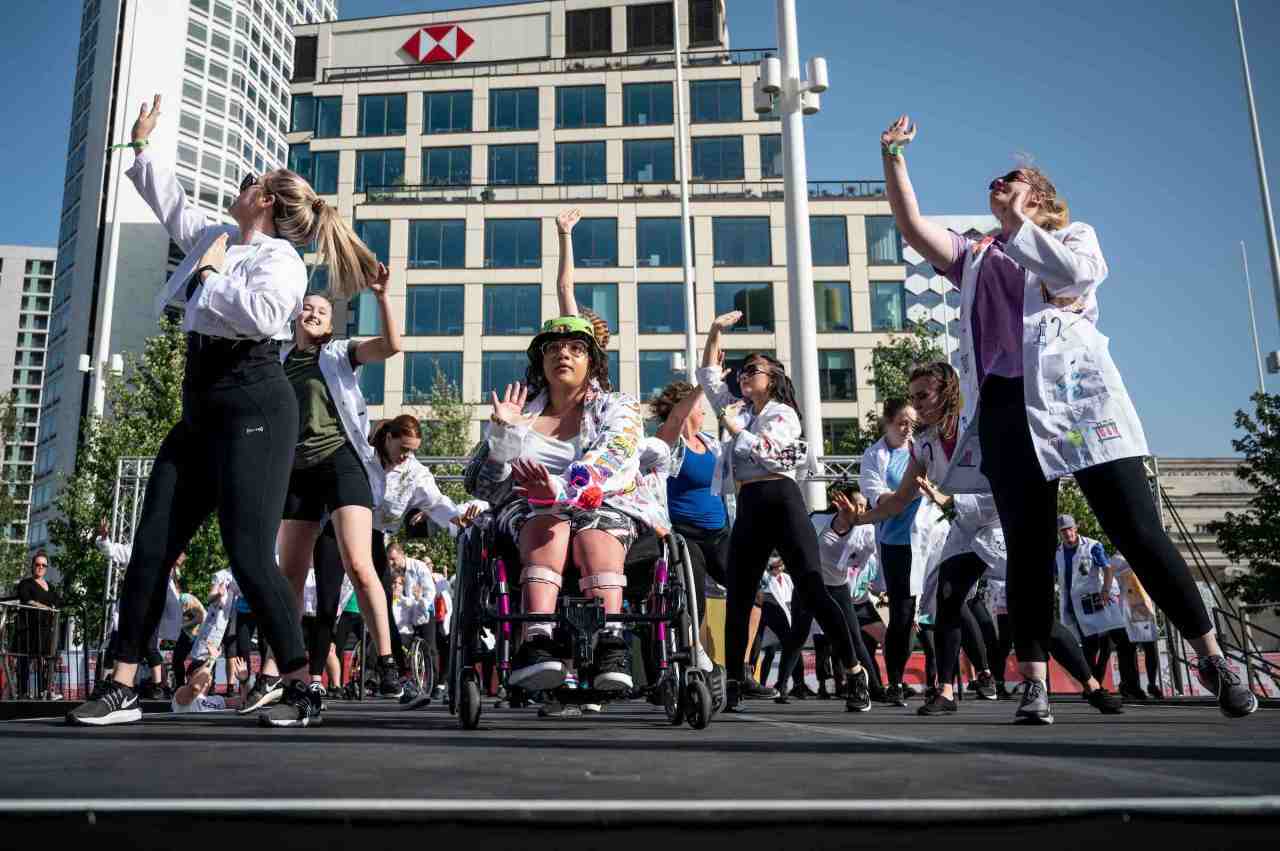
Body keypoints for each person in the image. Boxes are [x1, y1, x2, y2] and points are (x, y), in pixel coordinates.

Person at [878, 113, 1255, 719]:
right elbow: (915, 229)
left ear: (1040, 194)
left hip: (1081, 404)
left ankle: (1211, 655)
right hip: (1006, 409)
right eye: (996, 180)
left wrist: (1018, 219)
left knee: (1136, 529)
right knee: (1027, 547)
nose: (996, 183)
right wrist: (893, 158)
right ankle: (1033, 682)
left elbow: (1075, 277)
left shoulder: (1076, 236)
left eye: (1011, 177)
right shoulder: (978, 256)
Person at [69, 93, 372, 727]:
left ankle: (298, 683)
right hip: (201, 411)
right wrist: (140, 146)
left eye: (249, 183)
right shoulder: (218, 235)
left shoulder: (279, 258)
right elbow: (170, 203)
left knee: (246, 550)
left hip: (256, 405)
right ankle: (124, 681)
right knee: (152, 543)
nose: (239, 187)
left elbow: (264, 317)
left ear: (264, 201)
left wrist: (208, 279)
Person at [853, 362, 1120, 719]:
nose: (916, 406)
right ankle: (946, 692)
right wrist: (860, 518)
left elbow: (1025, 460)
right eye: (913, 398)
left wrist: (1074, 439)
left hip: (1000, 521)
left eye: (923, 396)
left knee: (1032, 612)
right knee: (948, 600)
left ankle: (1092, 686)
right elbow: (899, 501)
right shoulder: (925, 445)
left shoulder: (978, 425)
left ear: (946, 393)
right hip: (965, 525)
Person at [464, 311, 663, 693]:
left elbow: (614, 456)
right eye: (553, 348)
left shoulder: (618, 406)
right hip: (530, 515)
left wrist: (558, 489)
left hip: (604, 505)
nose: (563, 355)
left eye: (575, 348)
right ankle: (539, 642)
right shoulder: (520, 412)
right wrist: (503, 436)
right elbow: (483, 487)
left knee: (595, 531)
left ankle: (611, 644)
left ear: (592, 360)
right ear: (540, 360)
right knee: (547, 523)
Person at [698, 310, 868, 712]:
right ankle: (736, 678)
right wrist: (715, 332)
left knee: (812, 588)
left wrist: (738, 432)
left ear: (772, 377)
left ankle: (855, 671)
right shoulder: (740, 409)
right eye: (740, 371)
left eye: (752, 370)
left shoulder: (782, 414)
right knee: (739, 594)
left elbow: (773, 455)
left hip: (782, 499)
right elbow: (708, 377)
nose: (742, 375)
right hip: (750, 503)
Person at [255, 266, 404, 724]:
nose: (314, 313)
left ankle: (387, 662)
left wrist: (381, 296)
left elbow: (392, 346)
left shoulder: (339, 353)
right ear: (296, 317)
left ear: (331, 324)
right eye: (308, 308)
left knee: (360, 564)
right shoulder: (277, 360)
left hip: (340, 462)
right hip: (295, 470)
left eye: (323, 310)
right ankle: (275, 669)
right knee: (290, 577)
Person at [859, 398, 922, 707]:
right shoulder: (875, 456)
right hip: (896, 543)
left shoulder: (922, 448)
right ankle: (895, 679)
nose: (908, 427)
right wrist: (899, 497)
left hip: (929, 541)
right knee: (901, 614)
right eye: (902, 422)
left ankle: (945, 682)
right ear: (887, 422)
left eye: (913, 422)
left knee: (931, 614)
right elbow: (877, 496)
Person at [1055, 515, 1140, 698]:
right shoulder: (1057, 552)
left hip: (1101, 600)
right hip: (1078, 605)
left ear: (1075, 528)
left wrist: (1106, 590)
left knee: (1123, 641)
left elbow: (1107, 569)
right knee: (1089, 647)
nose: (1067, 533)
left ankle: (1130, 684)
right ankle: (1093, 688)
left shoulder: (1092, 546)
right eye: (1063, 530)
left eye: (1069, 528)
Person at [1109, 554, 1164, 698]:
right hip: (1126, 607)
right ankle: (1131, 685)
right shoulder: (1115, 559)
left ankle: (1152, 683)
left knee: (1150, 647)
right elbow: (1110, 582)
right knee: (1128, 648)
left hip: (1144, 606)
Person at [16, 551, 60, 700]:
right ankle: (22, 692)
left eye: (44, 565)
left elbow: (57, 603)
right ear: (32, 566)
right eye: (37, 564)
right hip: (29, 628)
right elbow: (27, 600)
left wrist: (52, 609)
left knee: (46, 660)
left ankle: (45, 691)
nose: (40, 567)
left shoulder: (51, 586)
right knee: (25, 661)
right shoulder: (26, 583)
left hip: (46, 629)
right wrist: (45, 607)